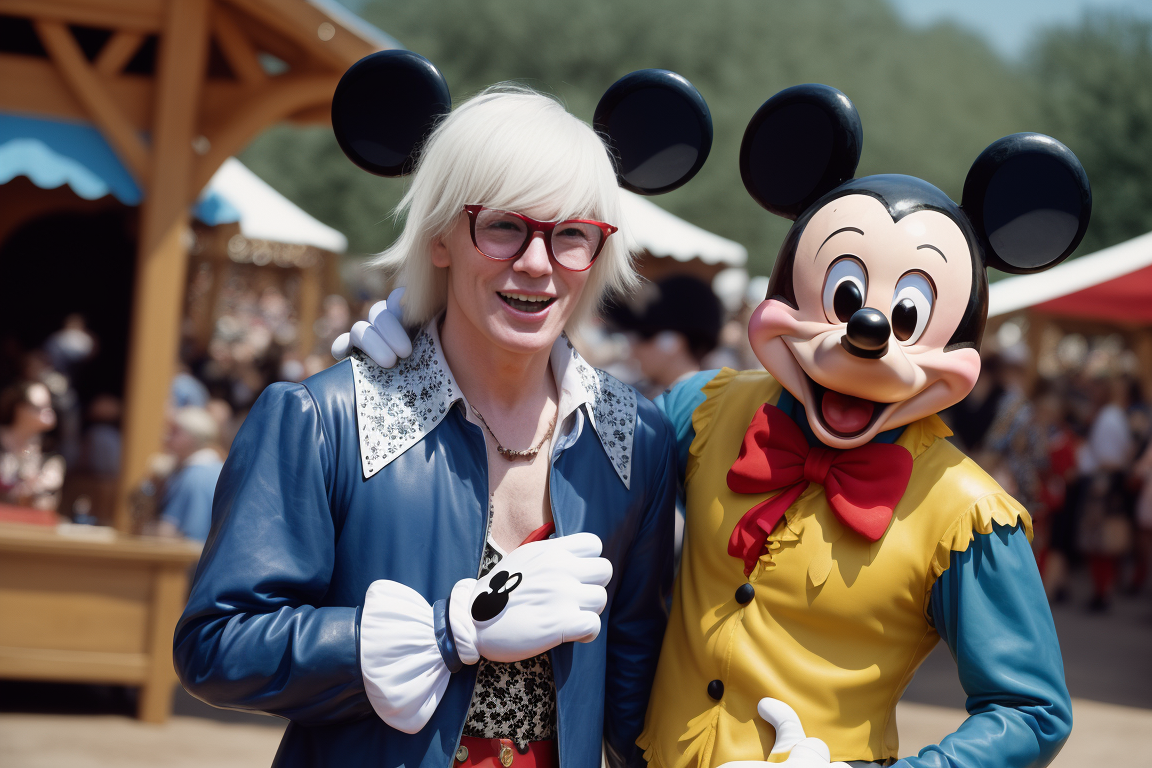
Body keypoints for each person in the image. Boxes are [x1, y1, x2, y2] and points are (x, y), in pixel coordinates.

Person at [173, 63, 704, 768]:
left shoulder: (634, 437)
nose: (537, 263)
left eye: (571, 234)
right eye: (504, 227)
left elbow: (636, 696)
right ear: (439, 237)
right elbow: (218, 645)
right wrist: (449, 631)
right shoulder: (325, 417)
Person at [606, 275, 724, 399]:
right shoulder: (645, 394)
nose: (633, 346)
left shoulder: (701, 403)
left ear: (673, 342)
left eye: (645, 335)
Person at [151, 407, 223, 543]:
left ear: (193, 438)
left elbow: (166, 532)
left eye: (174, 432)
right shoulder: (220, 468)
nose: (165, 436)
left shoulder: (192, 476)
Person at [0, 381, 65, 510]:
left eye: (49, 406)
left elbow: (48, 502)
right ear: (19, 409)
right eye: (39, 407)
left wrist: (33, 490)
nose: (47, 411)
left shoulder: (49, 454)